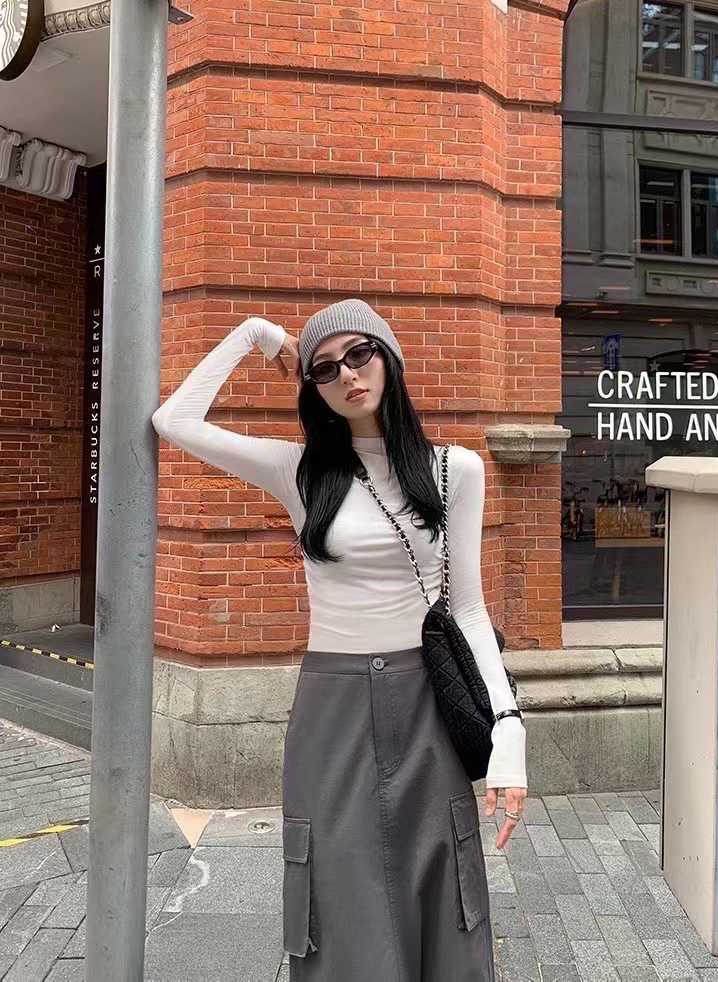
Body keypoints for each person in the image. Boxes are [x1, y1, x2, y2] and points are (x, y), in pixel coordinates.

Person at [151, 298, 528, 982]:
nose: (347, 374)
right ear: (314, 388)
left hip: (427, 701)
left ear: (389, 359)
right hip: (333, 709)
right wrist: (258, 335)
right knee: (337, 889)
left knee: (444, 883)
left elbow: (469, 611)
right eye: (324, 368)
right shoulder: (299, 473)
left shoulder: (456, 471)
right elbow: (173, 422)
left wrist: (508, 730)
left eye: (360, 353)